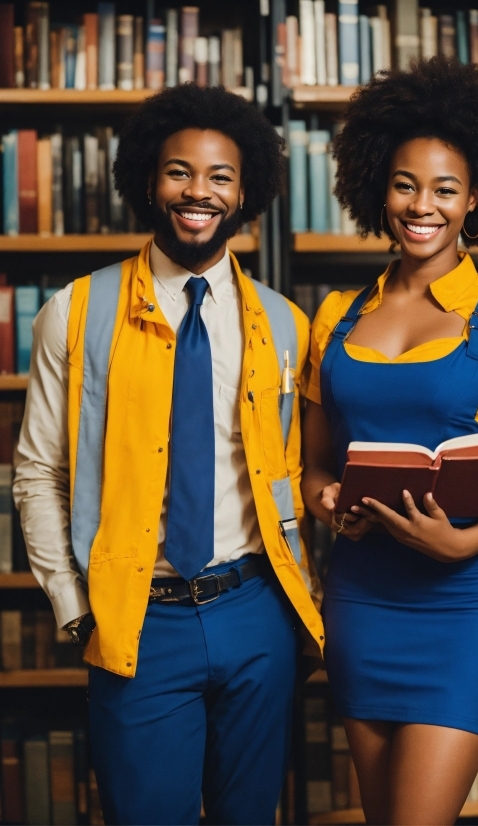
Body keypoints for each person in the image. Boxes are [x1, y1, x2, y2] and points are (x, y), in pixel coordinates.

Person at [13, 84, 323, 826]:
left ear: (246, 192)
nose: (199, 191)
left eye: (221, 176)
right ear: (149, 183)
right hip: (138, 620)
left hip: (258, 613)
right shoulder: (76, 311)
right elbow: (37, 472)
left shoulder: (285, 324)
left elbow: (295, 475)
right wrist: (77, 611)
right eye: (179, 171)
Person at [301, 58, 478, 826]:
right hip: (359, 598)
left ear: (474, 199)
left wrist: (460, 546)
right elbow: (314, 465)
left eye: (445, 189)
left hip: (462, 602)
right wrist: (324, 502)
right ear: (378, 189)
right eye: (406, 185)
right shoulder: (336, 318)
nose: (423, 206)